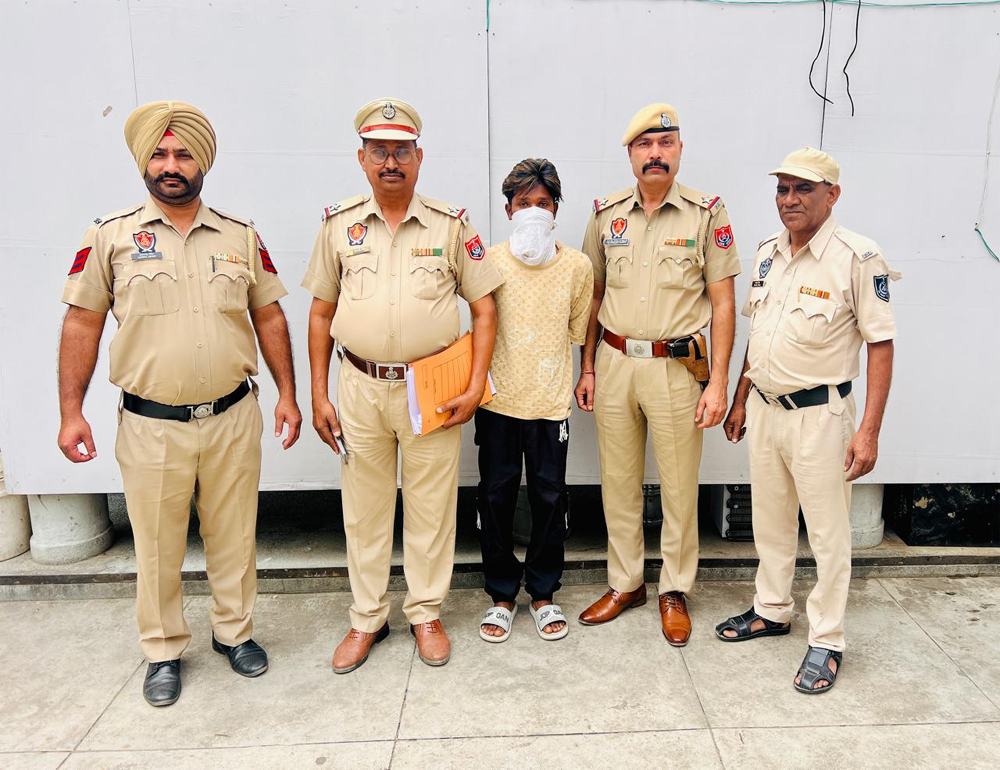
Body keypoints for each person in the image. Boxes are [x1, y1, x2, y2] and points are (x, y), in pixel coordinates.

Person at [57, 101, 301, 707]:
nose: (171, 165)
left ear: (203, 163)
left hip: (232, 416)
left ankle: (234, 632)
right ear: (145, 162)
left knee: (234, 535)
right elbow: (82, 324)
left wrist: (288, 395)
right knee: (158, 545)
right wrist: (71, 412)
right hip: (152, 424)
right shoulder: (111, 236)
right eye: (161, 154)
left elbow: (269, 316)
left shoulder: (241, 235)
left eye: (184, 154)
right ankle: (163, 649)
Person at [304, 98, 501, 672]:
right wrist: (319, 394)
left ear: (419, 157)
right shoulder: (338, 226)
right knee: (364, 509)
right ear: (361, 158)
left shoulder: (451, 225)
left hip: (430, 387)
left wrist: (475, 382)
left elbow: (484, 308)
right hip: (359, 386)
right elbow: (320, 313)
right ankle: (367, 618)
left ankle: (425, 613)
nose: (390, 161)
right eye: (379, 151)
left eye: (401, 151)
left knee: (431, 507)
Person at [715, 147, 898, 694]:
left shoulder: (857, 257)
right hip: (766, 410)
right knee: (770, 522)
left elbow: (881, 346)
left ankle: (827, 638)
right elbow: (759, 334)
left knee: (827, 534)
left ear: (832, 195)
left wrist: (869, 431)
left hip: (821, 416)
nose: (789, 199)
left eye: (803, 189)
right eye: (782, 189)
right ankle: (771, 609)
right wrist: (741, 397)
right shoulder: (767, 253)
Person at [574, 103, 740, 646]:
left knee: (678, 486)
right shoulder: (606, 215)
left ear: (679, 150)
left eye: (665, 143)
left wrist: (719, 382)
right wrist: (587, 367)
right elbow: (593, 296)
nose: (655, 154)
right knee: (618, 483)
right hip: (615, 362)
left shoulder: (706, 214)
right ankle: (626, 583)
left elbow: (723, 304)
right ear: (630, 154)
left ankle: (674, 589)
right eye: (645, 145)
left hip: (676, 367)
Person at [475, 159, 593, 644]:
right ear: (508, 210)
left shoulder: (577, 267)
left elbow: (578, 331)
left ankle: (543, 593)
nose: (533, 211)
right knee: (495, 497)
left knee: (549, 497)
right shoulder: (488, 262)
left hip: (549, 404)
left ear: (555, 210)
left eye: (542, 203)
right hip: (497, 402)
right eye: (524, 203)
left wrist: (586, 374)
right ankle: (502, 595)